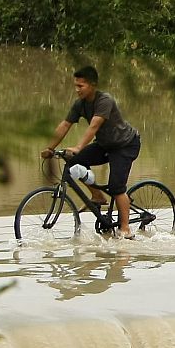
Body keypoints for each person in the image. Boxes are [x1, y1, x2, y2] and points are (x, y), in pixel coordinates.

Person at [42, 63, 144, 238]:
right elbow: (65, 125)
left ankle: (125, 229)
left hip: (125, 145)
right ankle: (97, 196)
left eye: (80, 86)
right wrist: (50, 148)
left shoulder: (105, 100)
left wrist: (78, 147)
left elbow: (94, 126)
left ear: (92, 85)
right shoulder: (80, 104)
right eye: (75, 85)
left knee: (116, 187)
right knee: (75, 162)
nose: (77, 89)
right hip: (105, 145)